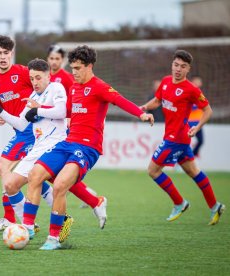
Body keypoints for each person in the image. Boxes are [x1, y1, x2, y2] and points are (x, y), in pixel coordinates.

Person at [21, 45, 154, 250]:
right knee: (35, 174)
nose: (74, 72)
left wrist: (141, 114)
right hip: (67, 142)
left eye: (78, 68)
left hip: (87, 148)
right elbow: (66, 110)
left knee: (59, 186)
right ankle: (27, 227)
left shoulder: (99, 86)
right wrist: (39, 110)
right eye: (72, 68)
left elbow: (120, 100)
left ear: (89, 66)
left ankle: (54, 239)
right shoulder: (74, 88)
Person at [0, 58, 108, 242]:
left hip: (56, 144)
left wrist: (39, 110)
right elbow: (20, 123)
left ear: (48, 76)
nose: (34, 82)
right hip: (38, 146)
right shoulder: (33, 98)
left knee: (54, 182)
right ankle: (91, 203)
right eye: (32, 78)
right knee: (10, 185)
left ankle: (36, 225)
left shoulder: (56, 89)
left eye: (38, 78)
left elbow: (61, 112)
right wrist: (0, 111)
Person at [141, 50, 225, 226]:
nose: (178, 69)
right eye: (176, 65)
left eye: (183, 66)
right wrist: (143, 108)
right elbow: (157, 101)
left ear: (188, 69)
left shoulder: (191, 89)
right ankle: (215, 206)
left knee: (153, 170)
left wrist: (198, 126)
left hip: (176, 139)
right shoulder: (164, 82)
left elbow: (208, 110)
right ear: (172, 65)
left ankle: (179, 203)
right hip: (177, 138)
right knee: (193, 172)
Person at [0, 35, 56, 232]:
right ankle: (34, 217)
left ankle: (15, 217)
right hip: (19, 131)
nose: (3, 57)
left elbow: (44, 87)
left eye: (6, 53)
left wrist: (45, 107)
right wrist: (1, 116)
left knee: (3, 168)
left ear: (11, 54)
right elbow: (2, 106)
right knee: (35, 176)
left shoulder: (23, 72)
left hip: (32, 131)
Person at [47, 44, 98, 208]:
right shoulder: (45, 76)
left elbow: (72, 105)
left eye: (57, 59)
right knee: (51, 171)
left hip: (64, 129)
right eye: (51, 58)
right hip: (47, 127)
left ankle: (86, 197)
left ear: (62, 61)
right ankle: (88, 196)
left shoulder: (69, 77)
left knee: (55, 171)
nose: (54, 62)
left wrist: (70, 118)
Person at [189, 76, 205, 157]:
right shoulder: (190, 93)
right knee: (185, 142)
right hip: (190, 123)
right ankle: (180, 160)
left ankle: (192, 157)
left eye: (199, 81)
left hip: (198, 123)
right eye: (196, 81)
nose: (198, 83)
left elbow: (205, 106)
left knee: (201, 141)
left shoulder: (201, 94)